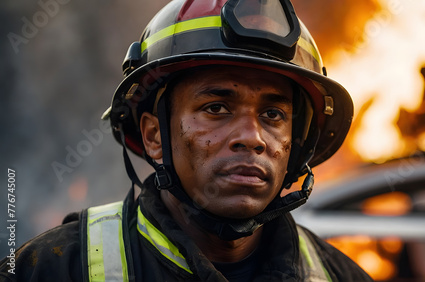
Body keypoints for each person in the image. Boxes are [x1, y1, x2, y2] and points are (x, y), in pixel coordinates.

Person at [1, 0, 373, 281]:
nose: (252, 138)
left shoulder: (340, 275)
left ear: (298, 142)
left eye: (273, 115)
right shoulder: (52, 268)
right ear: (154, 136)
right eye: (216, 108)